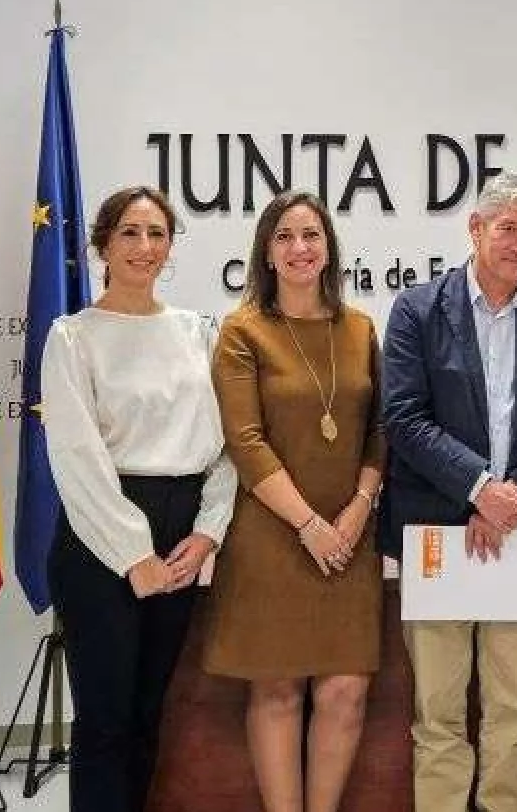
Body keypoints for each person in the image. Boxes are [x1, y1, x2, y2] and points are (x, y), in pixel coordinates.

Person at [379, 171, 517, 812]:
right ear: (475, 228)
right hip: (439, 537)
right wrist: (477, 489)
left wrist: (505, 501)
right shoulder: (417, 311)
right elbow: (404, 418)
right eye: (508, 229)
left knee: (512, 711)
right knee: (438, 713)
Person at [41, 186, 235, 812]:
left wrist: (208, 531)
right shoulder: (73, 337)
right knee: (105, 721)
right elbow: (77, 457)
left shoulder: (196, 333)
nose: (144, 246)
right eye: (129, 232)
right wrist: (133, 556)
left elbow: (224, 446)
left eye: (157, 234)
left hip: (182, 533)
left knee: (149, 714)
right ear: (103, 244)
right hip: (101, 538)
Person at [204, 190, 385, 812]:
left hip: (350, 537)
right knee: (277, 690)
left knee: (345, 691)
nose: (299, 248)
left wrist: (358, 508)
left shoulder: (360, 329)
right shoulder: (242, 331)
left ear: (329, 248)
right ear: (266, 253)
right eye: (284, 237)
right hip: (272, 535)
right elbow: (245, 441)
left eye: (311, 235)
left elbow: (380, 430)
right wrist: (309, 524)